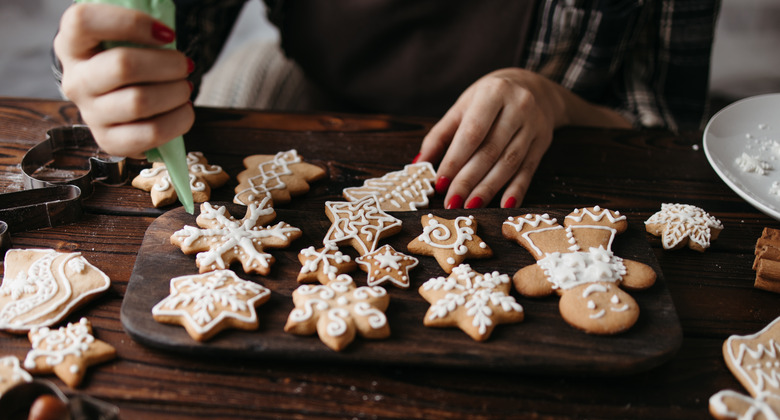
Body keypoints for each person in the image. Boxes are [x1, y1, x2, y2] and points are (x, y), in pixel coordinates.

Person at [52, 0, 720, 209]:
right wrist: (110, 74)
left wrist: (549, 99)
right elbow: (165, 30)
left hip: (565, 126)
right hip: (319, 86)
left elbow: (663, 132)